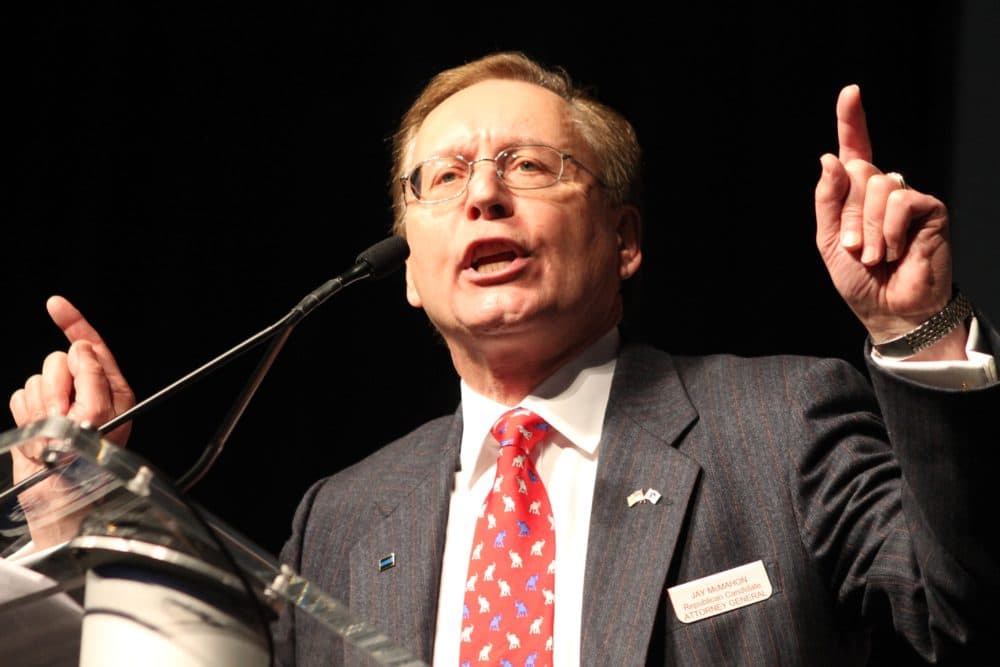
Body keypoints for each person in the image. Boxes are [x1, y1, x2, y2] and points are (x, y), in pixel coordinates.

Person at [7, 51, 999, 666]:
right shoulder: (342, 515)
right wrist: (85, 514)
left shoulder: (780, 422)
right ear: (408, 271)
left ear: (623, 239)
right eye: (441, 179)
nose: (482, 197)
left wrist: (915, 332)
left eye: (529, 167)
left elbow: (963, 626)